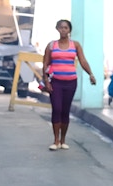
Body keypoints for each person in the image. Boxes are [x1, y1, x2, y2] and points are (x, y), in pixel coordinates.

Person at [42, 19, 96, 151]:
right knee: (57, 109)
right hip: (56, 82)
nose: (63, 30)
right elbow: (45, 64)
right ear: (57, 29)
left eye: (66, 28)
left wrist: (91, 74)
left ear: (69, 30)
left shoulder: (75, 45)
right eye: (61, 27)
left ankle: (63, 140)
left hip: (71, 83)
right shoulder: (51, 45)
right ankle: (55, 141)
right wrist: (46, 81)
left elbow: (82, 60)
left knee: (65, 110)